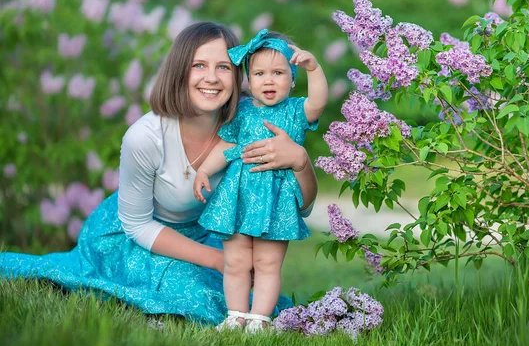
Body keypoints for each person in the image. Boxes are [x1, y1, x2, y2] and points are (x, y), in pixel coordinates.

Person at [0, 22, 318, 326]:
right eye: (198, 65)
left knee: (258, 296)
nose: (212, 78)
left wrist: (300, 161)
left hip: (208, 233)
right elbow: (137, 224)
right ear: (179, 71)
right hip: (137, 238)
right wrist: (215, 260)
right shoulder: (146, 136)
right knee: (204, 299)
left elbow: (300, 207)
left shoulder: (251, 123)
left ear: (239, 76)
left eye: (223, 67)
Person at [192, 29, 328, 332]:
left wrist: (314, 69)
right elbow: (228, 147)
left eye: (278, 73)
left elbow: (318, 103)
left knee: (267, 263)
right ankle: (236, 314)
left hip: (275, 197)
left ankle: (259, 318)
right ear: (248, 81)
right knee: (237, 262)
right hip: (237, 196)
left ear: (292, 80)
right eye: (259, 73)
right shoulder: (241, 110)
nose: (268, 80)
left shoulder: (295, 110)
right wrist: (204, 170)